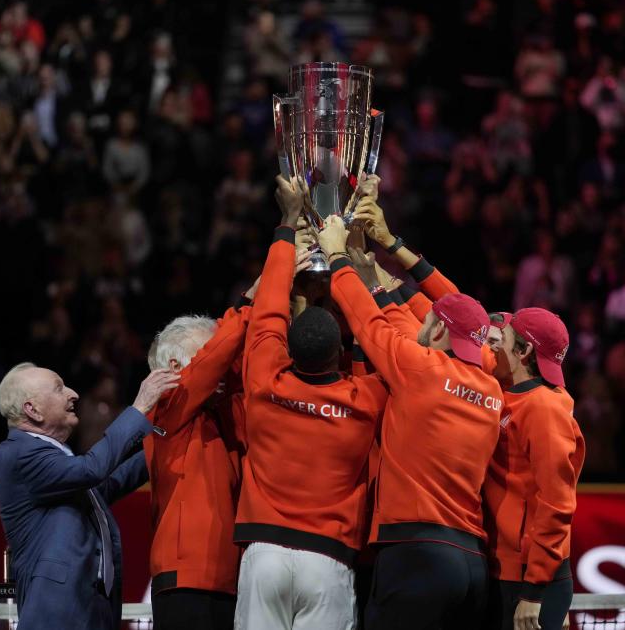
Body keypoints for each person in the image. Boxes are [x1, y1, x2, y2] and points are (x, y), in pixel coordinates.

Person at [319, 214, 504, 630]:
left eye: (431, 319)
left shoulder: (421, 368)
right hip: (471, 562)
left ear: (438, 330)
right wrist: (374, 272)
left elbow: (369, 323)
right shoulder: (490, 386)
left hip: (417, 553)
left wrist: (335, 256)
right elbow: (406, 325)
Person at [234, 176, 389, 630]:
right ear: (338, 352)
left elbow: (265, 319)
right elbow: (373, 344)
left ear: (289, 349)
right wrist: (357, 259)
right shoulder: (363, 400)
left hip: (264, 556)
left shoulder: (264, 381)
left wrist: (286, 226)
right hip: (327, 557)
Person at [0, 363, 179, 630]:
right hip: (57, 614)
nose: (73, 394)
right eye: (59, 388)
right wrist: (139, 408)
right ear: (31, 410)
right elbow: (93, 469)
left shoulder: (55, 455)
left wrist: (165, 444)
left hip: (90, 609)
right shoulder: (18, 452)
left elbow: (107, 485)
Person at [146, 299, 253, 630]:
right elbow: (216, 362)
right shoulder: (166, 405)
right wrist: (249, 302)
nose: (219, 364)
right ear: (176, 367)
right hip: (186, 581)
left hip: (226, 579)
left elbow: (237, 369)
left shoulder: (218, 411)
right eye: (206, 354)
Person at [482, 309, 585, 630]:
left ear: (524, 351)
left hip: (528, 577)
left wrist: (536, 590)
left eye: (506, 338)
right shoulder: (509, 395)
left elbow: (558, 503)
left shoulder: (544, 408)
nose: (495, 347)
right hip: (505, 568)